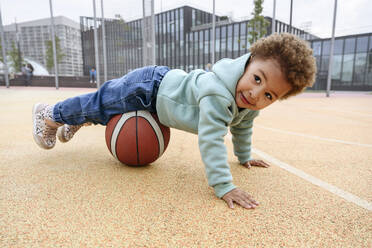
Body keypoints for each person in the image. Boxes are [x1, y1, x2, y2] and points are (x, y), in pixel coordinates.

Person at [32, 33, 316, 210]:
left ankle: (78, 120)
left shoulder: (248, 103)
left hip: (160, 94)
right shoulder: (218, 93)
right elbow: (211, 140)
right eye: (257, 78)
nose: (255, 94)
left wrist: (244, 156)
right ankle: (50, 115)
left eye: (268, 94)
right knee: (101, 101)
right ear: (249, 61)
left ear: (277, 99)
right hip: (149, 88)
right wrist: (224, 185)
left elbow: (243, 126)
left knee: (104, 108)